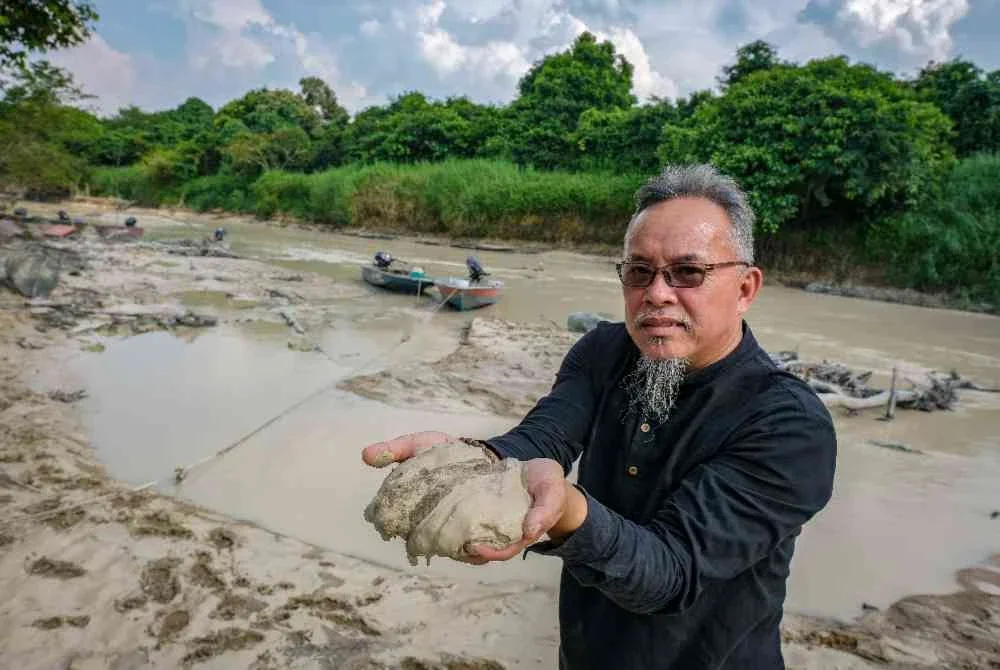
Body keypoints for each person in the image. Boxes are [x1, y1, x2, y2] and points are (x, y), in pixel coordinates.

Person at [361, 164, 837, 669]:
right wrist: (476, 459)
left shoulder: (789, 425)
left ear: (745, 288)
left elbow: (670, 572)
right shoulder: (605, 351)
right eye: (639, 271)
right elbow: (544, 437)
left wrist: (566, 509)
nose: (657, 293)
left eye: (688, 273)